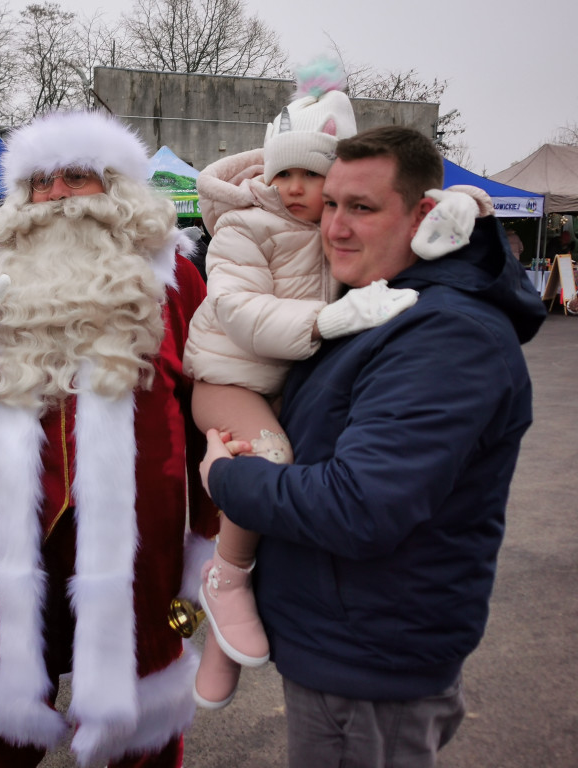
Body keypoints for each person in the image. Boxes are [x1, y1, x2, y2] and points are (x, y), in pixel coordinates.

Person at [199, 125, 546, 768]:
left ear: (423, 215)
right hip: (349, 642)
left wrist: (227, 479)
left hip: (368, 664)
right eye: (330, 204)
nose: (334, 227)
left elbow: (359, 507)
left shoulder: (446, 333)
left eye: (362, 207)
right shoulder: (379, 305)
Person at [0, 110, 218, 768]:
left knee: (143, 724)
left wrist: (209, 538)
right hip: (29, 541)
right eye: (40, 182)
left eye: (77, 177)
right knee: (8, 727)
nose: (55, 196)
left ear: (118, 189)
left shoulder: (174, 279)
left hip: (142, 545)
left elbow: (204, 411)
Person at [183, 60, 420, 709]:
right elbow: (233, 306)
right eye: (281, 172)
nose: (292, 188)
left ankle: (221, 658)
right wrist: (329, 318)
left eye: (310, 174)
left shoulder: (333, 227)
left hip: (284, 380)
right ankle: (226, 579)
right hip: (226, 376)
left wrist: (463, 208)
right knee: (272, 463)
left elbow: (406, 212)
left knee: (280, 508)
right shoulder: (242, 224)